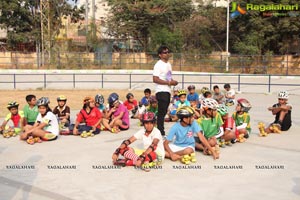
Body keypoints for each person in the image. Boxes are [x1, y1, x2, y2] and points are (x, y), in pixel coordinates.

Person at [153, 45, 178, 136]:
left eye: (168, 52)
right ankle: (160, 131)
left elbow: (168, 78)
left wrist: (172, 82)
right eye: (164, 52)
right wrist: (168, 83)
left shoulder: (168, 64)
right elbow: (155, 79)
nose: (167, 54)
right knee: (161, 111)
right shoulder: (158, 65)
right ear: (160, 55)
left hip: (167, 90)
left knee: (163, 112)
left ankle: (159, 129)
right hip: (161, 90)